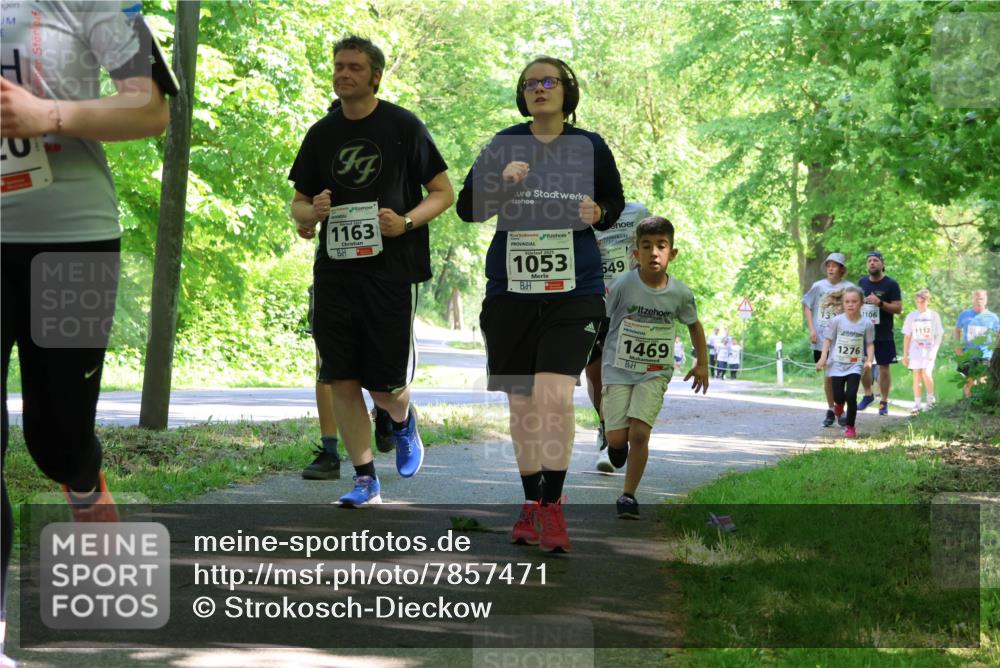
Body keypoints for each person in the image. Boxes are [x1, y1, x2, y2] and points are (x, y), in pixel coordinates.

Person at [1, 2, 175, 664]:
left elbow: (151, 109)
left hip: (72, 241)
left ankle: (81, 477)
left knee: (57, 437)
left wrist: (50, 115)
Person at [457, 55, 625, 552]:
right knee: (523, 404)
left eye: (548, 81)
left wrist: (599, 211)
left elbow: (612, 207)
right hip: (511, 289)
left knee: (553, 397)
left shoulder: (589, 145)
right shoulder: (505, 142)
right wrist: (501, 182)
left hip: (574, 289)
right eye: (530, 84)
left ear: (567, 90)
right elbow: (469, 208)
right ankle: (532, 503)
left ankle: (553, 507)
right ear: (522, 94)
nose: (539, 89)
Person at [288, 35, 453, 506]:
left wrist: (405, 222)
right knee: (340, 376)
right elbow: (298, 207)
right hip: (336, 272)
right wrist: (311, 212)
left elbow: (443, 192)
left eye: (354, 67)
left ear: (375, 75)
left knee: (384, 387)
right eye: (338, 66)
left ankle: (402, 420)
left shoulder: (403, 126)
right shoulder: (322, 133)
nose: (343, 74)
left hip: (391, 272)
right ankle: (364, 478)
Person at [601, 216, 708, 518]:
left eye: (661, 246)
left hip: (654, 371)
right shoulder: (622, 285)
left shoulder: (681, 294)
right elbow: (602, 320)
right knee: (618, 440)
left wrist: (702, 363)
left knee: (640, 435)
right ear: (636, 253)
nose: (654, 253)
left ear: (672, 253)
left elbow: (694, 327)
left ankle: (628, 496)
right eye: (646, 246)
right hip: (617, 367)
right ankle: (611, 436)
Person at [590, 201, 650, 474]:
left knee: (618, 372)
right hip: (590, 301)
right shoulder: (575, 208)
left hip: (627, 304)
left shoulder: (637, 212)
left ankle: (615, 433)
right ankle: (606, 430)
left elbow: (653, 246)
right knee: (595, 375)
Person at [802, 252, 855, 427]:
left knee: (841, 376)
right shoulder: (818, 286)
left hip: (843, 339)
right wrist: (811, 329)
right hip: (822, 338)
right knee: (829, 376)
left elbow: (856, 309)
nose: (831, 268)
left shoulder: (849, 287)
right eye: (828, 265)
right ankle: (832, 409)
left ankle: (839, 408)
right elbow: (807, 305)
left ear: (841, 269)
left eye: (835, 265)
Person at [815, 287, 875, 438]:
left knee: (851, 395)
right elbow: (827, 340)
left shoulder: (866, 323)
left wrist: (869, 360)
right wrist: (823, 358)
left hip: (855, 365)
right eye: (847, 302)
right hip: (837, 364)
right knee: (838, 396)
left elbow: (869, 344)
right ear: (843, 303)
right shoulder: (837, 321)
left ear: (861, 303)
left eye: (854, 301)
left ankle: (850, 426)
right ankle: (838, 406)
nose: (850, 305)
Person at [856, 251, 903, 416]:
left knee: (884, 367)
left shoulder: (891, 284)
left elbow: (898, 308)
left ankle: (883, 401)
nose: (872, 263)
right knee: (863, 365)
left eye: (875, 260)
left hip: (883, 332)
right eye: (869, 261)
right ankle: (868, 394)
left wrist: (880, 302)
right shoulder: (861, 283)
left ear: (882, 264)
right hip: (863, 333)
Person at [901, 289, 944, 413]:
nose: (920, 304)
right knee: (917, 376)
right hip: (915, 351)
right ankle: (918, 404)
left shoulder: (934, 316)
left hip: (929, 351)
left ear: (928, 301)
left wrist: (934, 351)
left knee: (927, 373)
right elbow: (907, 336)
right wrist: (905, 354)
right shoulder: (911, 316)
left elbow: (938, 335)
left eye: (922, 302)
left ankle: (931, 401)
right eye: (918, 302)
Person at [954, 290, 999, 398]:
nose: (979, 301)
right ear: (972, 299)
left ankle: (979, 403)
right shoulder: (965, 314)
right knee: (968, 380)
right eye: (976, 298)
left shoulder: (992, 317)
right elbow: (957, 330)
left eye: (981, 299)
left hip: (985, 355)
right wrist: (957, 346)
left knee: (981, 380)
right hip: (968, 354)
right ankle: (967, 403)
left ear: (986, 300)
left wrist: (995, 349)